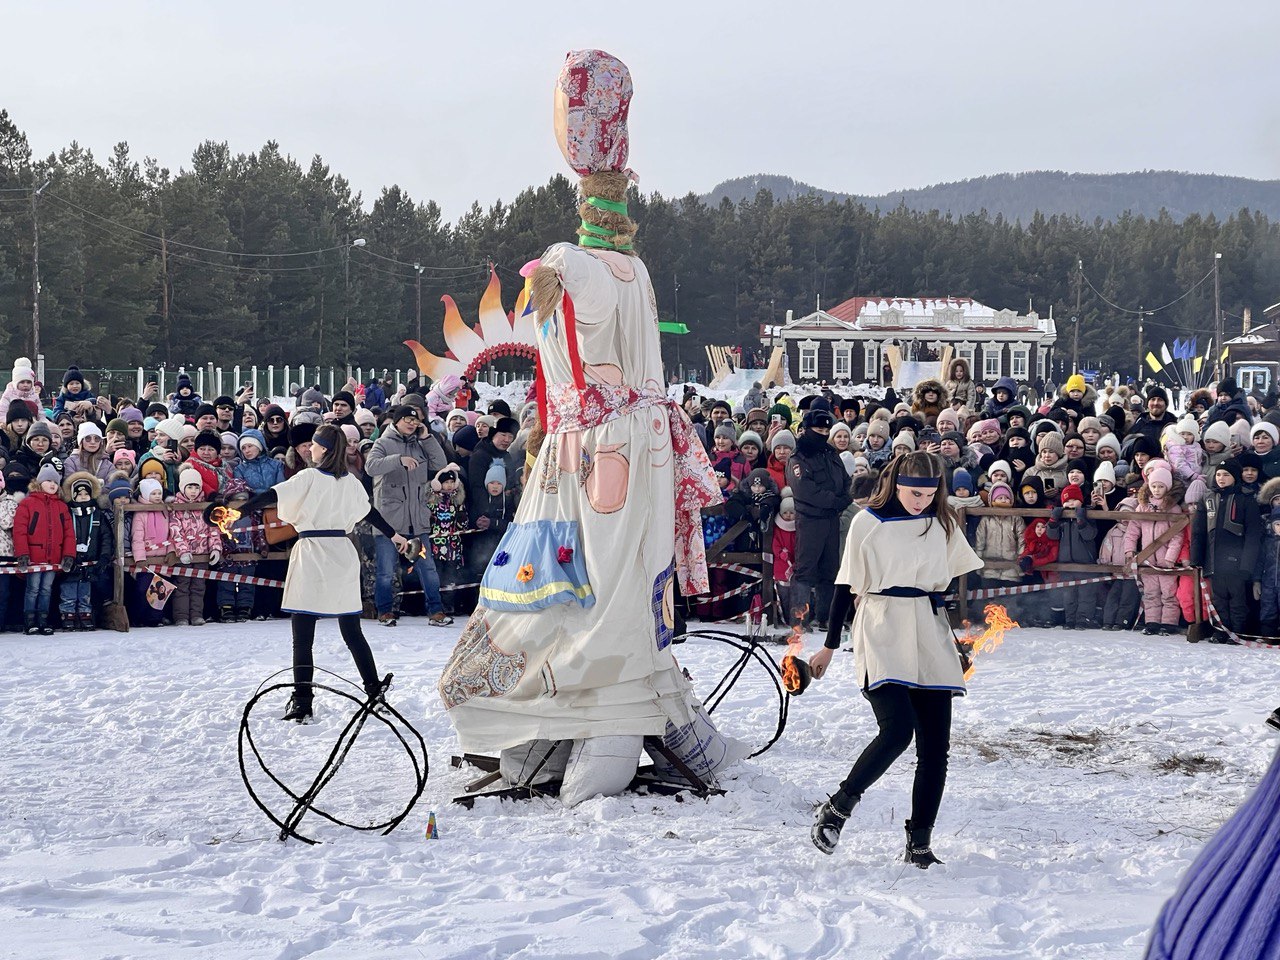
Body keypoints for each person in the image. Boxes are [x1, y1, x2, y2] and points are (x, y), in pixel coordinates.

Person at [807, 452, 983, 863]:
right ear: (896, 483)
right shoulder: (867, 524)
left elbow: (951, 581)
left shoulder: (942, 523)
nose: (921, 500)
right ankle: (838, 807)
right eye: (913, 492)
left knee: (936, 748)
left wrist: (960, 636)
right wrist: (829, 646)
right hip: (881, 625)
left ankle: (919, 843)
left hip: (930, 630)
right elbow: (843, 586)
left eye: (929, 493)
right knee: (897, 730)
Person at [237, 425, 411, 722]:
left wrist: (235, 510)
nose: (310, 449)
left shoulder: (307, 477)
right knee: (352, 632)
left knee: (303, 637)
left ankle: (303, 701)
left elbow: (270, 496)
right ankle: (373, 690)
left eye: (314, 445)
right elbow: (370, 513)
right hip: (342, 554)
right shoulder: (352, 483)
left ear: (324, 449)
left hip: (313, 553)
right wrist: (395, 536)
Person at [365, 404, 452, 627]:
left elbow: (440, 464)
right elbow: (371, 467)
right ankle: (385, 611)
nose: (412, 424)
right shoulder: (383, 443)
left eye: (416, 421)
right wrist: (397, 459)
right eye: (408, 420)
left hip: (417, 520)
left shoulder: (421, 443)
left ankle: (436, 611)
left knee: (427, 569)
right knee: (385, 570)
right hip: (390, 522)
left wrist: (427, 438)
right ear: (397, 421)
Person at [788, 407, 851, 630]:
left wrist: (843, 499)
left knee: (830, 570)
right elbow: (805, 489)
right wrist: (834, 501)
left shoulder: (830, 453)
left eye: (826, 429)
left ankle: (825, 617)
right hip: (810, 520)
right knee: (805, 570)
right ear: (807, 429)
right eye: (818, 429)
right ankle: (799, 619)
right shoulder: (798, 457)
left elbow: (845, 479)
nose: (823, 433)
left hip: (831, 520)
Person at [13, 463, 75, 635]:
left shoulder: (61, 506)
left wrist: (68, 554)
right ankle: (29, 621)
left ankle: (43, 620)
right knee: (32, 589)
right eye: (48, 480)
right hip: (33, 556)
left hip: (53, 557)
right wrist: (23, 553)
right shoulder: (27, 503)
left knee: (46, 589)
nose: (52, 484)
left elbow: (69, 533)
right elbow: (20, 531)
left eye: (55, 481)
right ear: (39, 483)